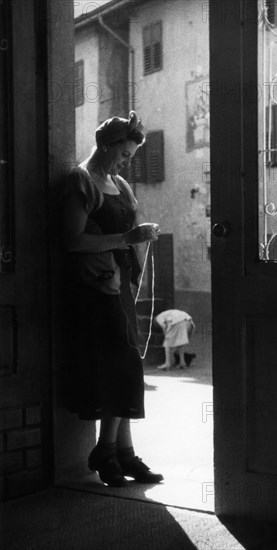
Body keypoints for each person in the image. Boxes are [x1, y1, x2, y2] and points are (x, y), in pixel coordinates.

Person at [61, 112, 164, 487]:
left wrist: (139, 237)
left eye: (132, 154)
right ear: (104, 145)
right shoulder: (81, 181)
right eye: (123, 152)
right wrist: (127, 239)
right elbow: (72, 241)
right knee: (119, 369)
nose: (127, 160)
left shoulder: (118, 184)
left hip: (119, 285)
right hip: (93, 289)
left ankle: (124, 455)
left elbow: (127, 231)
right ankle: (106, 451)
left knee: (123, 368)